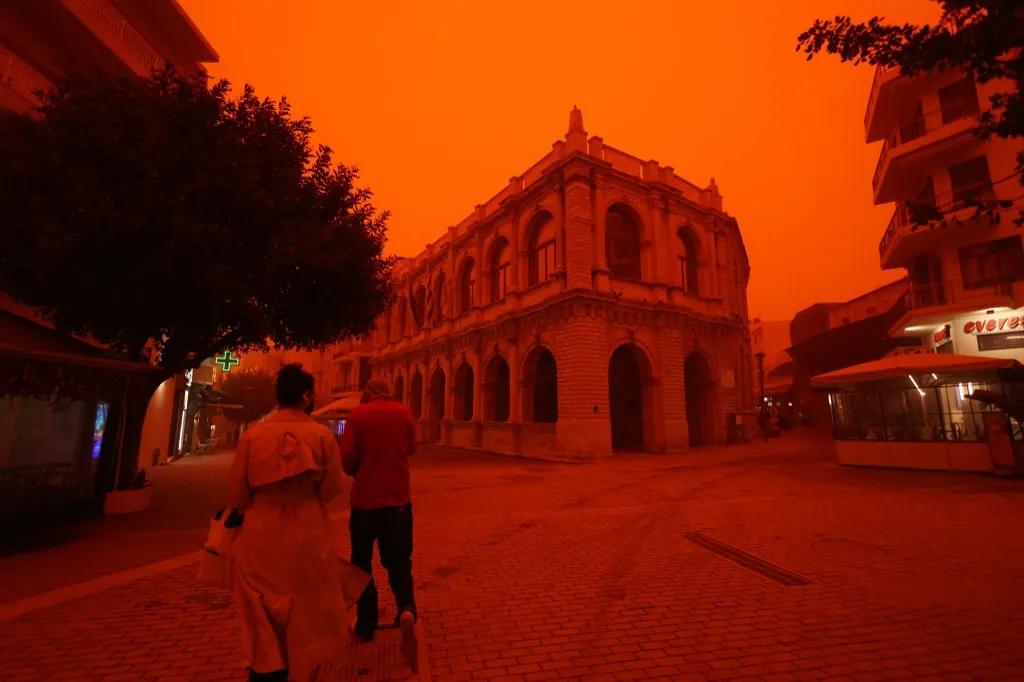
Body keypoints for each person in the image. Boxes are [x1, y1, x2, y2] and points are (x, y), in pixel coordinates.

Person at [227, 364, 348, 682]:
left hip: (261, 534)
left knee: (261, 615)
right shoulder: (322, 435)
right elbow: (334, 491)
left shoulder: (252, 435)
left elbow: (238, 496)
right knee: (304, 615)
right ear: (307, 396)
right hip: (308, 532)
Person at [340, 377, 418, 659]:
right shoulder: (404, 412)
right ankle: (406, 609)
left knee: (361, 564)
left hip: (364, 503)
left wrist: (358, 469)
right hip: (398, 502)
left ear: (369, 392)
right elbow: (412, 449)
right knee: (399, 562)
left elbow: (346, 455)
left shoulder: (358, 415)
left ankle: (366, 624)